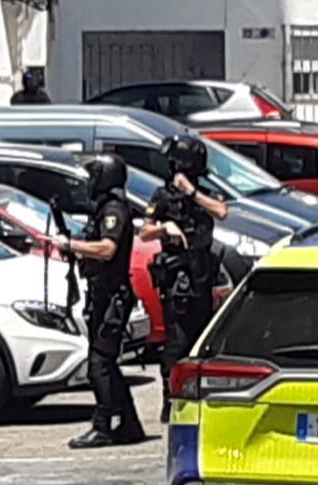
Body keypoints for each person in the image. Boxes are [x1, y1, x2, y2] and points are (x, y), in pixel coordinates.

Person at [51, 154, 145, 449]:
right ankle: (129, 423)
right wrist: (73, 249)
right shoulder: (101, 209)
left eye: (94, 177)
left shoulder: (114, 210)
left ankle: (103, 425)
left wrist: (72, 245)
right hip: (101, 295)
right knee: (106, 362)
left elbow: (107, 249)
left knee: (98, 364)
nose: (89, 183)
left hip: (113, 296)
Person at [139, 135, 228, 424]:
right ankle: (171, 399)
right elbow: (145, 232)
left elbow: (221, 211)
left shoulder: (203, 194)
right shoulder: (162, 195)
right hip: (177, 280)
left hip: (202, 277)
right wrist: (166, 228)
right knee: (176, 343)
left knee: (203, 340)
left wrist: (192, 193)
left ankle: (200, 396)